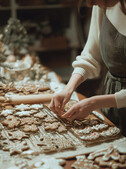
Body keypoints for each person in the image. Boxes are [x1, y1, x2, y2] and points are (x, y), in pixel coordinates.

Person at [49, 0, 126, 136]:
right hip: (111, 100)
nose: (90, 4)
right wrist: (68, 89)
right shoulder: (102, 4)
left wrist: (95, 102)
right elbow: (91, 55)